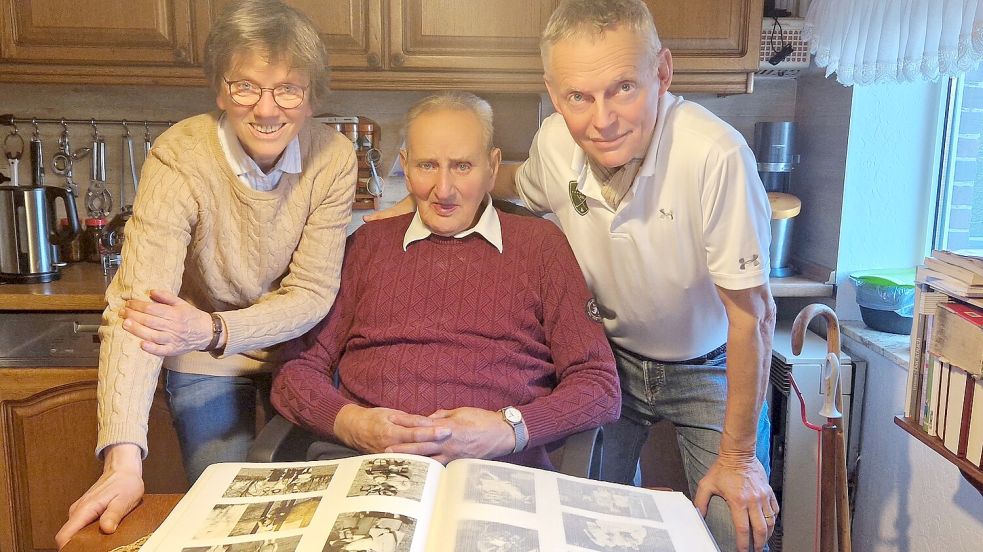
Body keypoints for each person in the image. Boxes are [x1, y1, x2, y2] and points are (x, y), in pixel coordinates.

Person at [365, 2, 778, 550]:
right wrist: (427, 193)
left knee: (736, 530)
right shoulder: (557, 142)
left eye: (623, 88)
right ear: (554, 93)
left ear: (663, 73)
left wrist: (738, 458)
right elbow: (511, 180)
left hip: (710, 364)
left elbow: (753, 314)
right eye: (579, 96)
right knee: (589, 529)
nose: (601, 119)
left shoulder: (715, 155)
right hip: (610, 362)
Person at [55, 0, 357, 547]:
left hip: (300, 352)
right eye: (246, 86)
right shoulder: (179, 155)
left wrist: (216, 328)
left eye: (288, 88)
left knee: (317, 516)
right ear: (220, 92)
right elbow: (138, 311)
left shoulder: (333, 156)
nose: (267, 108)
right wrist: (123, 459)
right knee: (231, 519)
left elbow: (312, 294)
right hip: (203, 360)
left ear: (311, 96)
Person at [271, 92, 620, 470]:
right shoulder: (367, 247)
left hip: (499, 469)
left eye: (462, 166)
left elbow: (599, 386)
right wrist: (351, 423)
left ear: (492, 166)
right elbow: (295, 372)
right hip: (366, 466)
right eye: (426, 166)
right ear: (405, 166)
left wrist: (506, 430)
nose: (444, 189)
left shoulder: (541, 247)